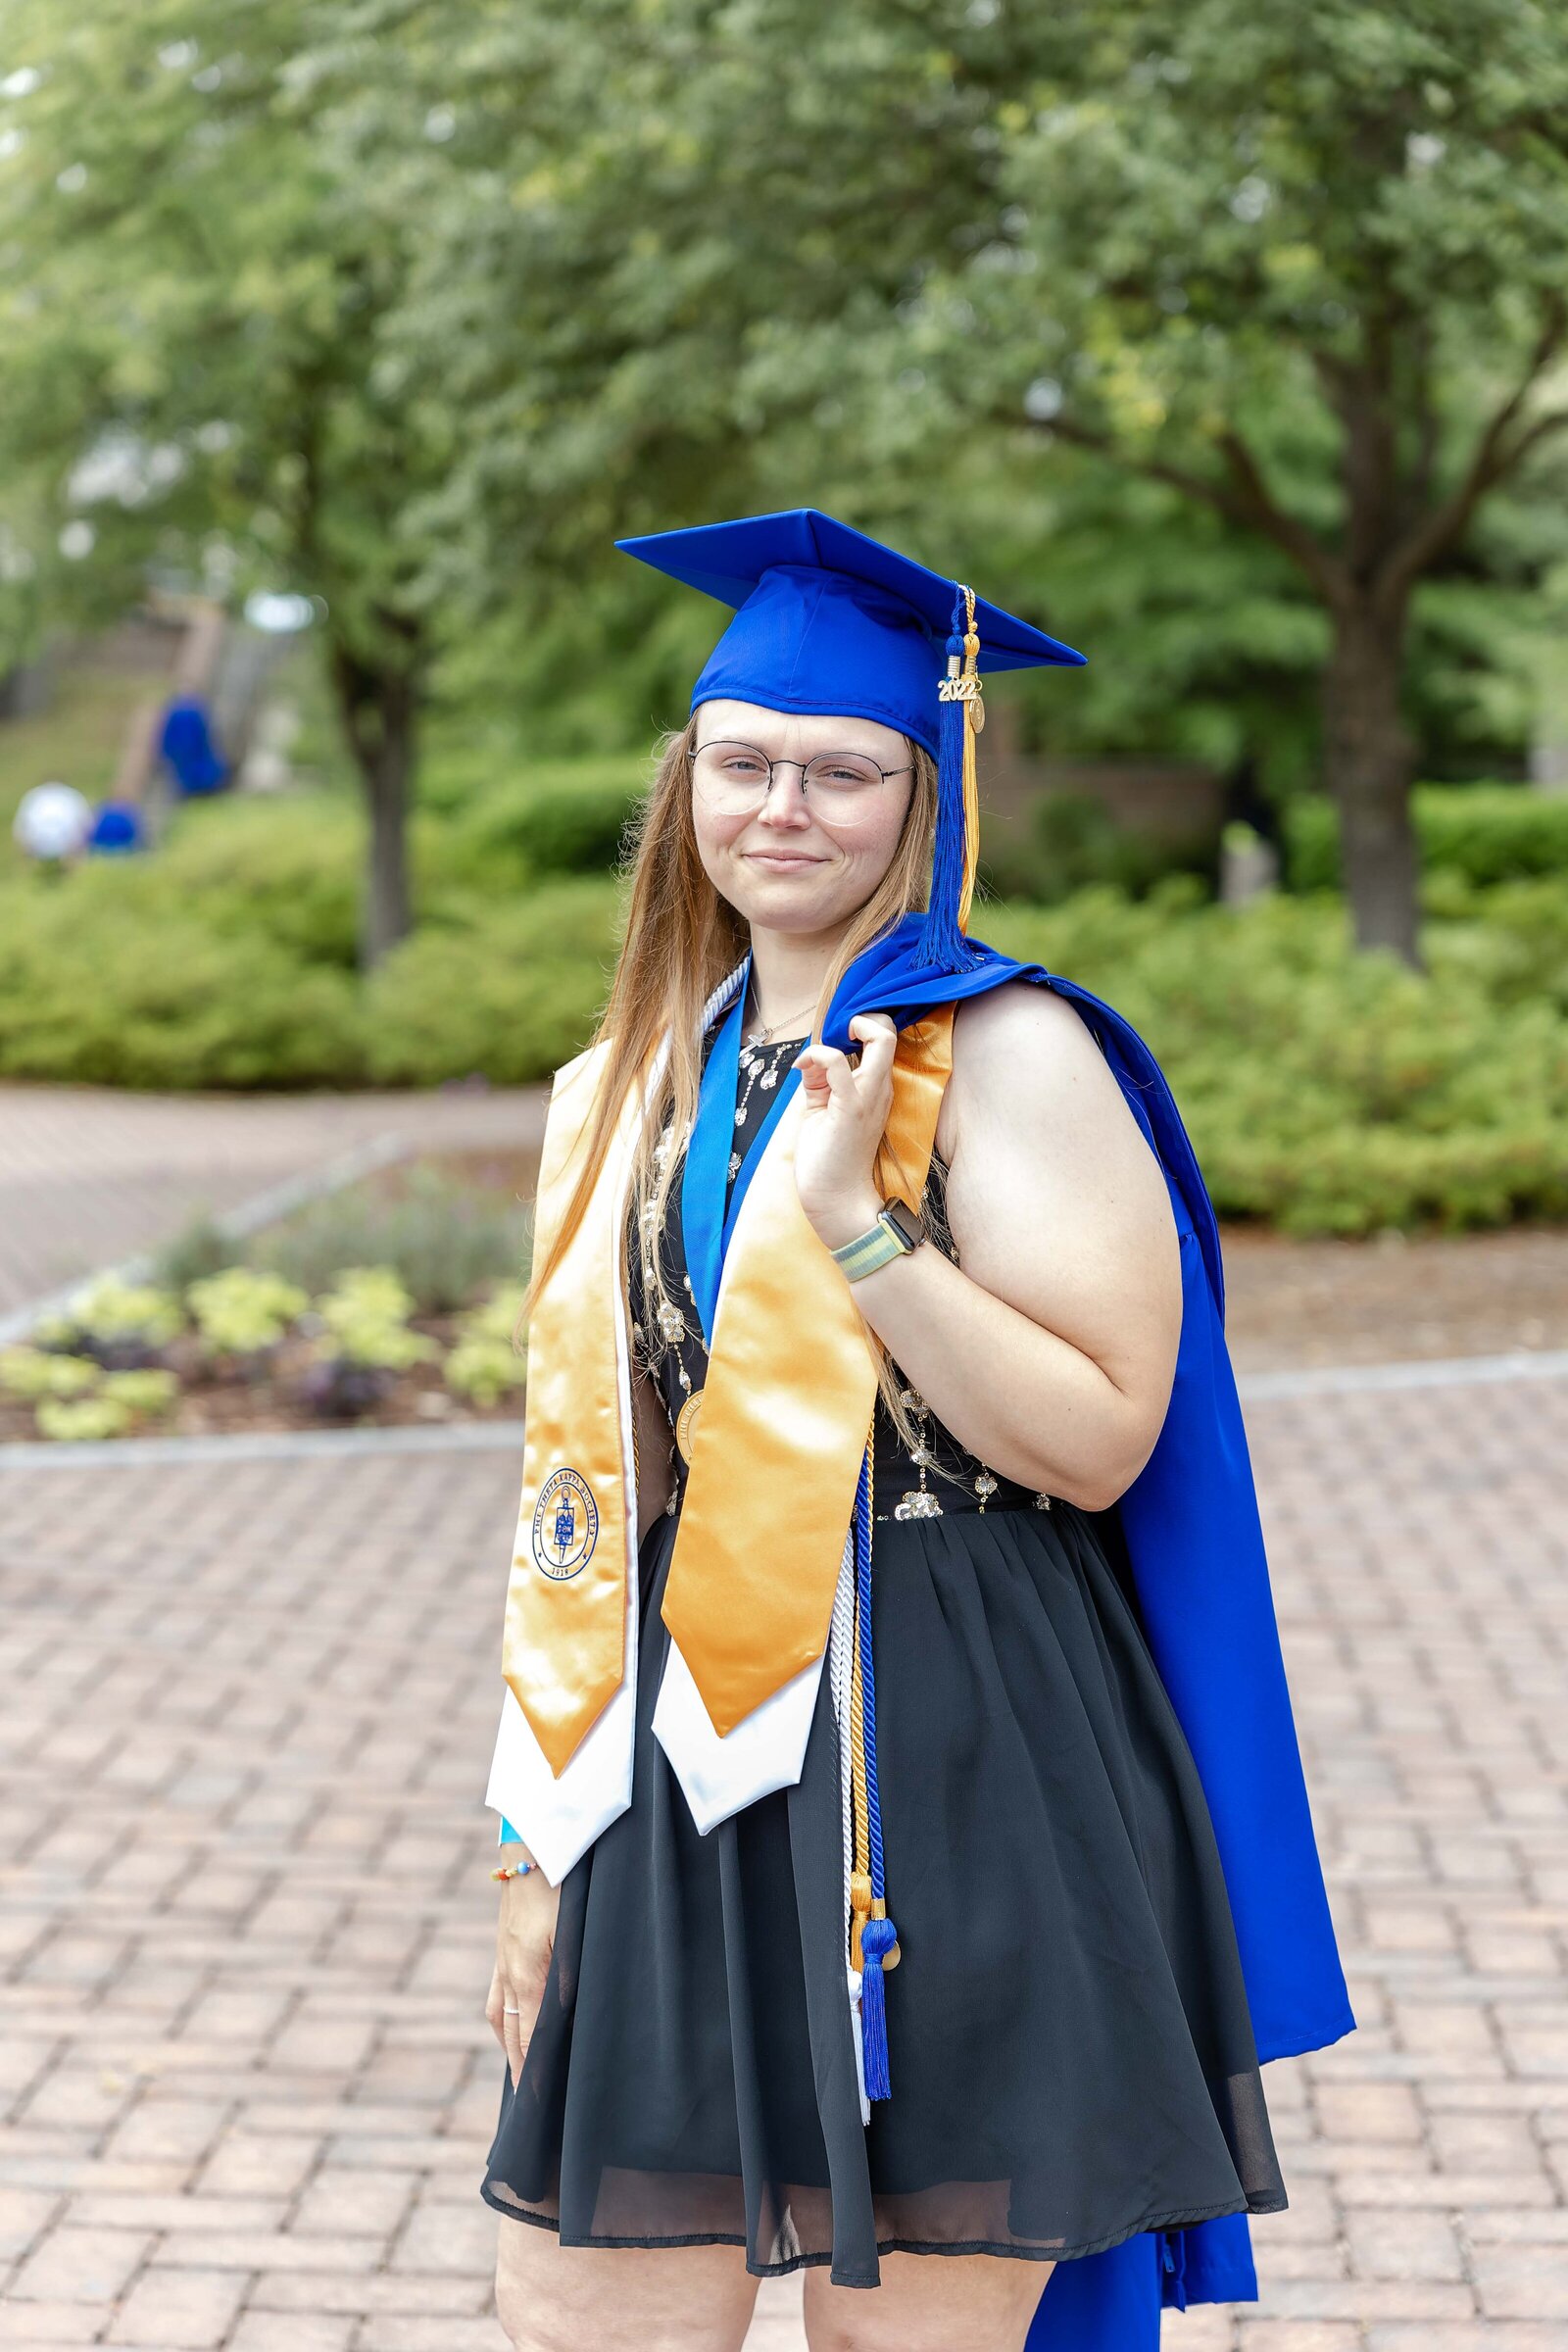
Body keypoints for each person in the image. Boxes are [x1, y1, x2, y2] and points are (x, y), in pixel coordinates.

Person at [479, 511, 1354, 2352]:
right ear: (685, 787)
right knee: (579, 2316)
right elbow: (593, 1478)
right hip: (685, 1743)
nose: (782, 807)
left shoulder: (1011, 1049)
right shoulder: (640, 1071)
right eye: (742, 764)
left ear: (923, 794)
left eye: (842, 771)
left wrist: (862, 1229)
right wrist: (537, 1845)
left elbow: (1105, 1437)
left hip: (944, 1740)